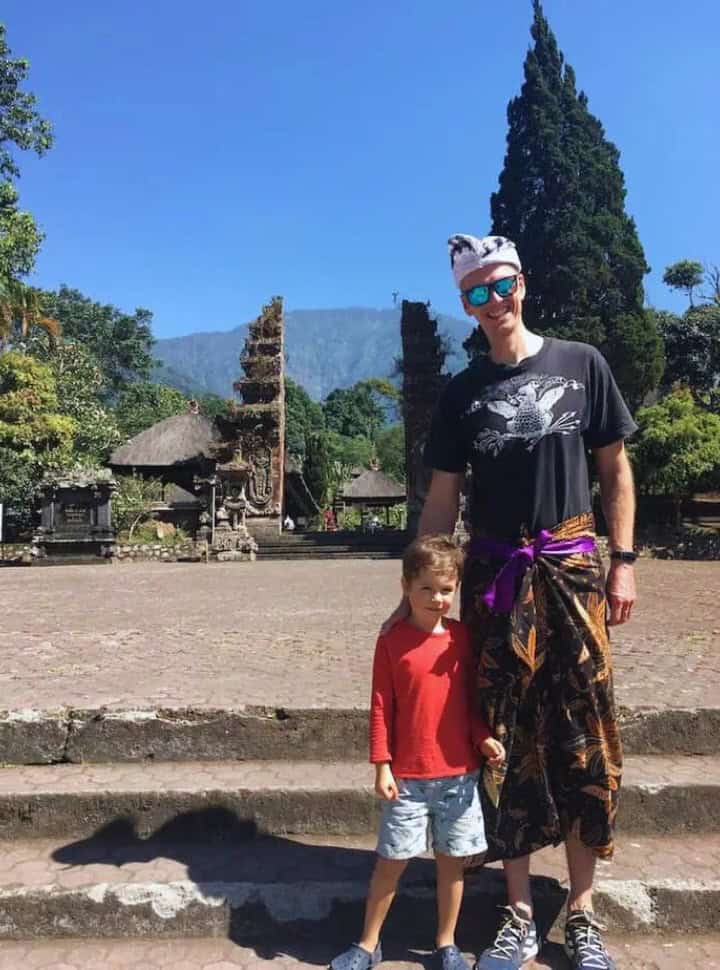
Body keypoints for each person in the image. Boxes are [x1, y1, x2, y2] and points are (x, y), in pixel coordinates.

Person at [384, 234, 637, 970]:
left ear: (522, 283)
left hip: (574, 574)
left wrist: (623, 563)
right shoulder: (463, 394)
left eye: (501, 286)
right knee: (504, 737)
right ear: (464, 303)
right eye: (475, 293)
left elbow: (615, 471)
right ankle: (520, 911)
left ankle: (584, 910)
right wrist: (417, 596)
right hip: (496, 582)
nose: (492, 303)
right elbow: (440, 503)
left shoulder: (582, 364)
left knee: (587, 731)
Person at [330, 534, 506, 970]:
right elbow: (379, 706)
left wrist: (482, 736)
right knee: (391, 862)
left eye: (446, 590)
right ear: (406, 585)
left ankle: (446, 943)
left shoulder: (463, 638)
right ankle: (368, 944)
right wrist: (381, 764)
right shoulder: (391, 642)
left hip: (459, 775)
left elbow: (469, 702)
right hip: (407, 778)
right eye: (426, 588)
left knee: (452, 865)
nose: (437, 598)